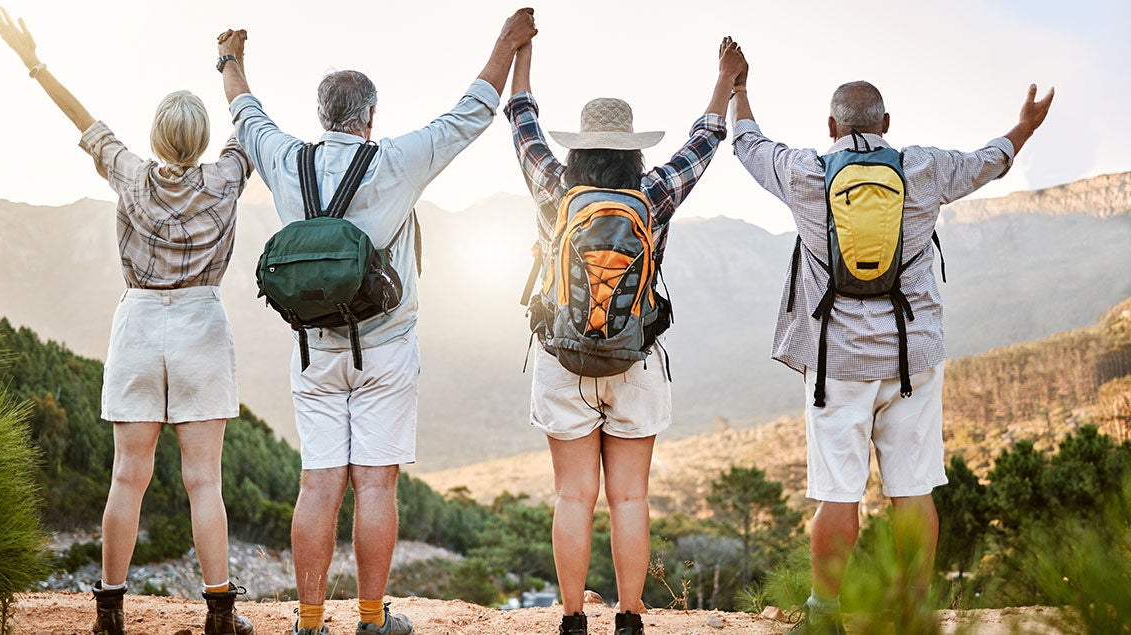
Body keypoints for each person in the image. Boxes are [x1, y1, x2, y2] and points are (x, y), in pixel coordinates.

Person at [215, 9, 537, 635]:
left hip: (312, 348)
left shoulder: (286, 159)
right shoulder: (395, 160)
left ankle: (309, 622)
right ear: (368, 117)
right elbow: (472, 111)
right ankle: (370, 619)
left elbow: (243, 110)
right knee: (375, 486)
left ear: (321, 115)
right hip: (384, 349)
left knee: (317, 485)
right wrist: (508, 41)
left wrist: (230, 57)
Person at [723, 40, 1054, 633]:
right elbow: (990, 160)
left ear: (830, 127)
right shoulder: (922, 168)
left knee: (838, 493)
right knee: (914, 488)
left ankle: (824, 615)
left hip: (837, 362)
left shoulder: (803, 172)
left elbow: (746, 144)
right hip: (913, 355)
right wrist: (1024, 127)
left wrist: (739, 88)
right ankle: (915, 610)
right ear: (888, 125)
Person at [0, 8, 256, 635]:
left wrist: (33, 62)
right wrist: (232, 61)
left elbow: (80, 118)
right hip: (201, 324)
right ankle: (220, 613)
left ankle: (109, 610)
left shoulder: (130, 176)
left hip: (139, 325)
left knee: (126, 478)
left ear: (158, 136)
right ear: (200, 139)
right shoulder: (226, 179)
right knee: (204, 481)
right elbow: (247, 118)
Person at [505, 35, 740, 635]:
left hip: (563, 357)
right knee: (629, 499)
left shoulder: (555, 188)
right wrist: (725, 80)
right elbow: (705, 142)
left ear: (580, 148)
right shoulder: (652, 193)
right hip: (636, 357)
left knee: (572, 497)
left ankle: (572, 618)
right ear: (632, 150)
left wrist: (521, 53)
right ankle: (631, 618)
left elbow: (522, 121)